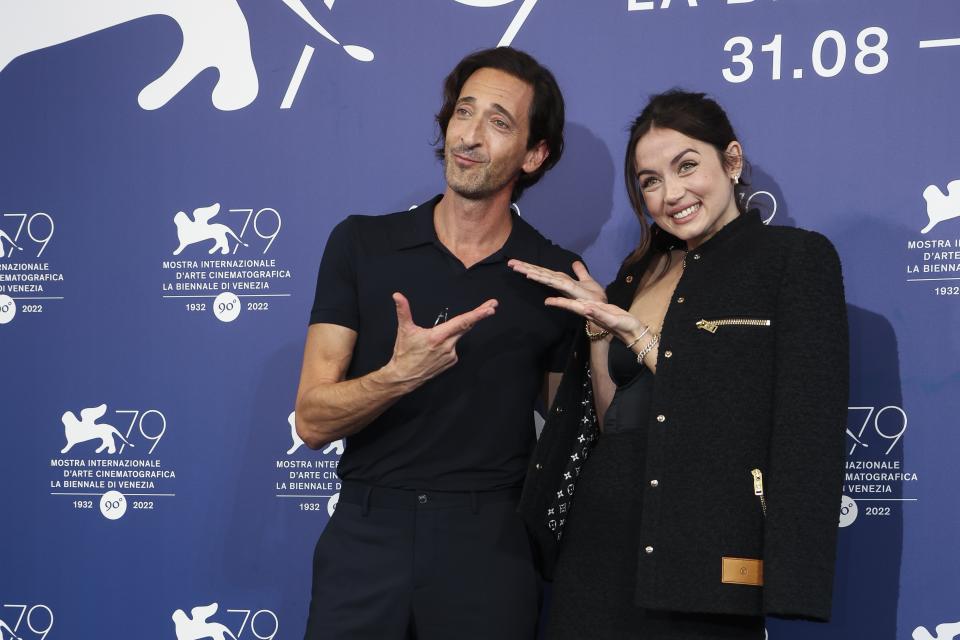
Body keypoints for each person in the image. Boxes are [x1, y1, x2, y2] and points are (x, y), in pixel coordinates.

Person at [511, 90, 848, 639]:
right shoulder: (634, 274)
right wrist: (599, 327)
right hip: (600, 539)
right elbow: (607, 422)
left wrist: (643, 339)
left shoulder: (794, 260)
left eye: (686, 165)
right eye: (649, 180)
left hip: (707, 549)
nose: (671, 194)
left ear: (732, 160)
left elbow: (803, 425)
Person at [295, 47, 580, 640]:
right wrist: (400, 374)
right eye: (463, 112)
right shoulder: (362, 245)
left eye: (498, 122)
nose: (470, 136)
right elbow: (313, 421)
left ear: (535, 153)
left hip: (490, 546)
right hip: (366, 537)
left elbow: (569, 439)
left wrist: (605, 334)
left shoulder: (554, 277)